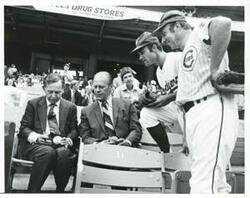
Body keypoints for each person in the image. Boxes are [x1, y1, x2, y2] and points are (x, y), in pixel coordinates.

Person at [153, 10, 238, 193]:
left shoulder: (197, 32)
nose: (163, 40)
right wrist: (186, 135)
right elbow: (185, 99)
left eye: (164, 33)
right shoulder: (184, 53)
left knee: (203, 185)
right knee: (216, 184)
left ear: (177, 26)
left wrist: (215, 69)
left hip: (212, 106)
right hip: (196, 115)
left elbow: (223, 23)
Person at [18, 73, 78, 193]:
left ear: (63, 90)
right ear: (44, 89)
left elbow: (74, 129)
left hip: (60, 144)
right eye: (50, 92)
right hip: (36, 145)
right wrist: (35, 137)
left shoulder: (70, 107)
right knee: (47, 152)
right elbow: (24, 128)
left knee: (64, 154)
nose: (53, 96)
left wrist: (69, 139)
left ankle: (60, 191)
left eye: (57, 92)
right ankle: (33, 192)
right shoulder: (33, 104)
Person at [131, 32, 184, 154]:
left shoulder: (177, 58)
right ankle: (166, 153)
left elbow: (194, 86)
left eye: (142, 52)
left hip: (193, 108)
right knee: (147, 113)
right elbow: (171, 96)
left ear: (154, 47)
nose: (140, 57)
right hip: (179, 109)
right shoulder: (159, 73)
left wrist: (168, 98)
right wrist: (155, 100)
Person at [79, 71, 142, 147]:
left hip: (125, 151)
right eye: (95, 87)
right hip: (99, 153)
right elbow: (85, 137)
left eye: (101, 87)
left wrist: (127, 142)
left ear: (111, 87)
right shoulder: (86, 111)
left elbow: (136, 129)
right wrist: (99, 144)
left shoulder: (127, 105)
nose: (97, 90)